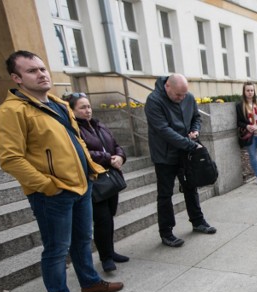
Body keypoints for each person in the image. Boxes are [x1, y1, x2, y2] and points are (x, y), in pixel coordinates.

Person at [0, 50, 124, 292]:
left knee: (82, 240)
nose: (41, 74)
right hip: (52, 194)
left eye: (42, 68)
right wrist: (47, 185)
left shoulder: (57, 104)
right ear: (16, 78)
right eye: (31, 71)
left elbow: (76, 141)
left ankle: (89, 283)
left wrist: (90, 169)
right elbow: (10, 158)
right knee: (56, 250)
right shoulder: (11, 111)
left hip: (81, 186)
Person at [144, 74, 216, 248]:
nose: (182, 98)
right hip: (165, 155)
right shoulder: (154, 101)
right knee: (165, 194)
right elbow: (163, 130)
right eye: (178, 95)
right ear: (167, 86)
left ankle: (198, 221)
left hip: (185, 152)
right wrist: (190, 145)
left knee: (191, 187)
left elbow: (196, 118)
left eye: (184, 94)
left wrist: (195, 130)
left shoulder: (187, 96)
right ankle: (166, 232)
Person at [66, 93, 129, 272]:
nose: (87, 111)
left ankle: (110, 251)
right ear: (72, 110)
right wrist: (109, 158)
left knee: (109, 217)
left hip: (111, 177)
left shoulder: (98, 124)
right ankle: (106, 257)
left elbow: (115, 144)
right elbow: (83, 153)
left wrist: (120, 157)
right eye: (82, 108)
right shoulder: (73, 129)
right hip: (95, 180)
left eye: (88, 107)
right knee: (102, 220)